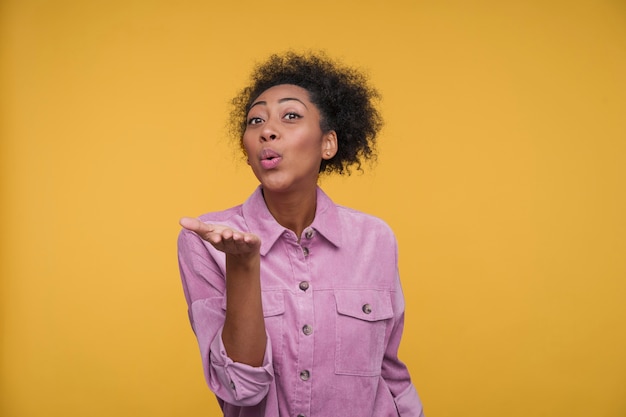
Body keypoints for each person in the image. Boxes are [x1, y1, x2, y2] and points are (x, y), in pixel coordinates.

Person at [177, 51, 425, 417]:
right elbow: (240, 390)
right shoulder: (209, 242)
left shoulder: (375, 238)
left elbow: (390, 374)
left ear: (328, 144)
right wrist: (243, 265)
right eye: (255, 120)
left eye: (290, 116)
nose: (267, 130)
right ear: (248, 153)